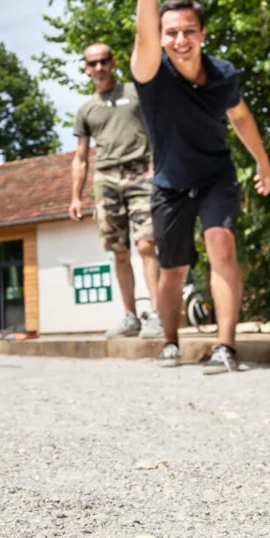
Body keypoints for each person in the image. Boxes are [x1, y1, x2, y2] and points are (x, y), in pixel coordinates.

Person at [129, 0, 270, 372]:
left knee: (221, 243)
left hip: (216, 175)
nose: (180, 39)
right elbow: (144, 36)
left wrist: (263, 162)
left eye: (189, 30)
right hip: (171, 183)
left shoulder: (223, 74)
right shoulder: (152, 74)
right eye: (171, 31)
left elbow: (242, 118)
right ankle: (170, 341)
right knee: (173, 271)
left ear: (203, 34)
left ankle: (225, 345)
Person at [70, 42, 162, 338]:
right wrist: (75, 196)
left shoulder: (136, 92)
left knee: (148, 244)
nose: (98, 67)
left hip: (141, 172)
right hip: (106, 179)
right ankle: (130, 317)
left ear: (113, 62)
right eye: (92, 63)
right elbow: (81, 157)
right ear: (85, 68)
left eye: (103, 61)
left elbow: (160, 127)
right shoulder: (86, 110)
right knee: (119, 252)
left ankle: (158, 315)